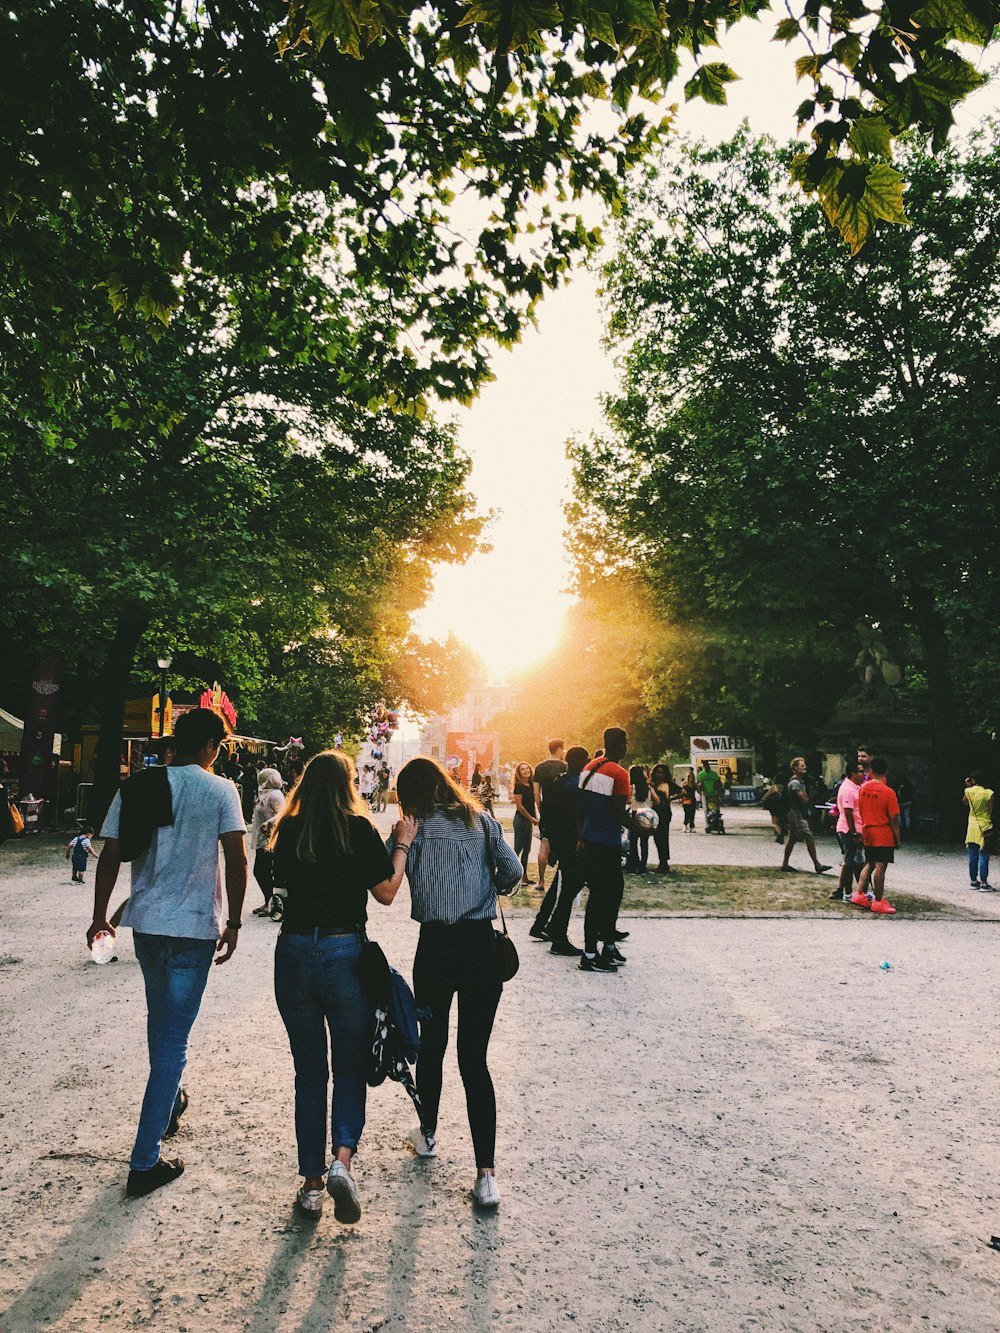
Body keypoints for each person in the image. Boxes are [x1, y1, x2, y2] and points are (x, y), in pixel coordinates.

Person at [88, 707, 248, 1198]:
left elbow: (111, 851)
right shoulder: (221, 791)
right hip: (194, 927)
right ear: (208, 747)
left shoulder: (138, 786)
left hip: (149, 925)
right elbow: (238, 858)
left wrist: (100, 916)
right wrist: (235, 920)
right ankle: (144, 1161)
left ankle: (169, 1100)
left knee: (162, 1024)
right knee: (174, 1039)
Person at [268, 751, 413, 1222]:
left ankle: (310, 1186)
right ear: (349, 784)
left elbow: (272, 884)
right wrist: (401, 845)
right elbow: (387, 892)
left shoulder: (287, 830)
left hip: (293, 951)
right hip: (344, 951)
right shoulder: (357, 829)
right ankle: (341, 1162)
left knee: (309, 1071)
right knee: (349, 1067)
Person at [391, 757, 522, 1208]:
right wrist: (487, 885)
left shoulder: (412, 830)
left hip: (435, 949)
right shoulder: (482, 822)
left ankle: (428, 1133)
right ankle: (486, 1174)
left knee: (433, 1046)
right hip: (480, 947)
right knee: (474, 1059)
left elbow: (392, 880)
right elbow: (514, 874)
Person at [577, 728, 630, 973]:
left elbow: (581, 807)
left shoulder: (589, 768)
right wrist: (639, 827)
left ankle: (607, 945)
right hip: (607, 841)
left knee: (606, 893)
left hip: (589, 840)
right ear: (619, 744)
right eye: (625, 742)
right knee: (604, 896)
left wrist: (580, 836)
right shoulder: (619, 773)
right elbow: (618, 812)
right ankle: (590, 953)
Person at [528, 745, 589, 954]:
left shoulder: (558, 782)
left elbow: (547, 811)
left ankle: (542, 925)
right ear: (579, 761)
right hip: (573, 842)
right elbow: (579, 815)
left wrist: (551, 842)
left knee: (561, 884)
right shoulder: (577, 785)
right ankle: (557, 933)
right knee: (571, 885)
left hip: (561, 841)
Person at [856, 756, 900, 913]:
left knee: (870, 863)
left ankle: (860, 893)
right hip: (883, 832)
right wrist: (897, 837)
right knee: (880, 867)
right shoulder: (889, 792)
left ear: (871, 771)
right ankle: (878, 900)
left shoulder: (862, 789)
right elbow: (893, 817)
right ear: (886, 771)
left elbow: (860, 809)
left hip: (867, 829)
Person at [780, 758, 831, 875]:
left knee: (792, 839)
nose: (805, 767)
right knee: (809, 837)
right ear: (795, 768)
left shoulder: (798, 782)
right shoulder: (795, 783)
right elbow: (804, 800)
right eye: (802, 766)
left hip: (794, 813)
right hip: (795, 813)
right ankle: (817, 864)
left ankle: (785, 864)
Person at [532, 740, 568, 892]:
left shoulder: (540, 767)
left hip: (547, 808)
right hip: (563, 809)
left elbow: (536, 793)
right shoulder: (566, 766)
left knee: (544, 844)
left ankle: (541, 881)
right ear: (559, 750)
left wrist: (541, 809)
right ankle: (562, 879)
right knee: (564, 844)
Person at [250, 768, 285, 916]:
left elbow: (283, 813)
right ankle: (269, 902)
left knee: (261, 871)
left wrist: (269, 822)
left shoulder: (275, 795)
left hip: (271, 840)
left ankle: (272, 903)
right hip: (263, 839)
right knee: (262, 871)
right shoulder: (264, 795)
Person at [835, 759, 867, 904]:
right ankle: (852, 892)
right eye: (861, 771)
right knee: (852, 861)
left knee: (853, 860)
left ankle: (853, 891)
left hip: (856, 827)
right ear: (853, 773)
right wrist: (854, 832)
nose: (864, 774)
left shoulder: (857, 786)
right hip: (849, 829)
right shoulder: (848, 788)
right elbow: (848, 813)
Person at [962, 770, 994, 892]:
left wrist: (968, 787)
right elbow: (991, 810)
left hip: (972, 826)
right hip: (985, 825)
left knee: (972, 854)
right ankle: (984, 883)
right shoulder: (989, 793)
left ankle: (974, 881)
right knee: (984, 854)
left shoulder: (968, 791)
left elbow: (965, 803)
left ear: (974, 780)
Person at [649, 764, 681, 872]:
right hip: (654, 812)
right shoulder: (652, 784)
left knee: (662, 838)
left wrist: (670, 798)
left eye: (662, 772)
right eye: (657, 772)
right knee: (657, 838)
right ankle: (662, 862)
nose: (659, 774)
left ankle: (664, 863)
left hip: (664, 812)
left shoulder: (668, 784)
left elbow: (683, 792)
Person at [511, 761, 539, 886]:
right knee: (518, 848)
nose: (526, 771)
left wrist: (536, 817)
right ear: (519, 772)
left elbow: (532, 804)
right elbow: (520, 806)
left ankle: (524, 876)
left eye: (527, 768)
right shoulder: (519, 785)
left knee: (527, 849)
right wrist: (531, 818)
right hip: (521, 820)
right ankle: (512, 873)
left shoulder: (532, 785)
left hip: (529, 820)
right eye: (523, 769)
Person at [626, 765, 653, 872]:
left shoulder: (632, 787)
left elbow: (627, 799)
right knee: (644, 842)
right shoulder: (648, 787)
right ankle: (643, 865)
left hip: (635, 814)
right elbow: (656, 800)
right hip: (646, 815)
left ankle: (634, 863)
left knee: (633, 841)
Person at [696, 761, 722, 831]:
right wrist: (700, 791)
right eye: (705, 766)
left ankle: (717, 821)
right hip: (705, 794)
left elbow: (718, 782)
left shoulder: (713, 774)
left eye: (707, 766)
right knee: (706, 810)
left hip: (714, 794)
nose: (706, 767)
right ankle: (708, 823)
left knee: (715, 808)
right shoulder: (701, 774)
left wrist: (718, 792)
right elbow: (699, 784)